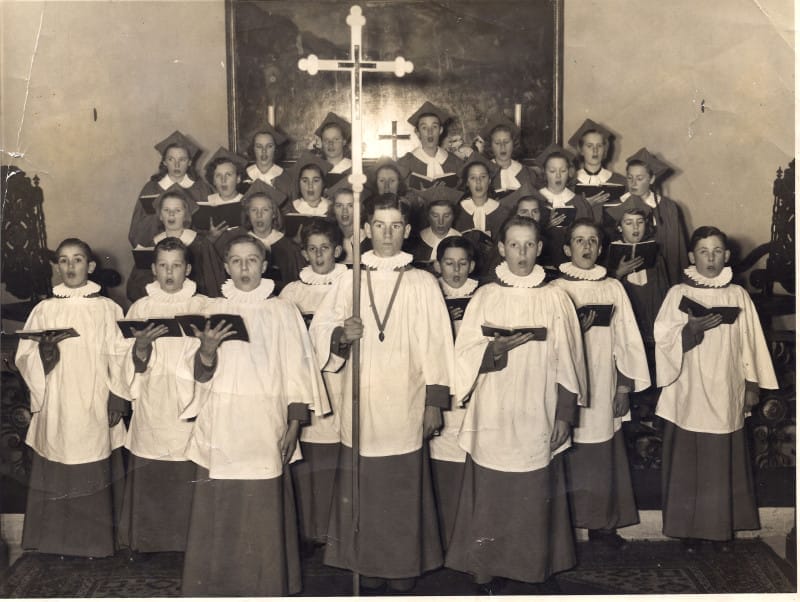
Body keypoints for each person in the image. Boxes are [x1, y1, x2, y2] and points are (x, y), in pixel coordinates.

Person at [310, 193, 454, 594]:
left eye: (395, 226)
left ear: (407, 232)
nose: (387, 234)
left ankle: (402, 568)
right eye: (379, 225)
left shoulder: (423, 281)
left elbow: (437, 344)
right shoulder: (348, 279)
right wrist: (341, 335)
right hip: (362, 403)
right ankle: (368, 567)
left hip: (406, 402)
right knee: (364, 494)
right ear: (365, 229)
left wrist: (434, 403)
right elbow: (319, 332)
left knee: (401, 494)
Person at [177, 235, 329, 596]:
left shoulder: (282, 310)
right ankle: (216, 586)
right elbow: (191, 373)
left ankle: (265, 585)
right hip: (222, 425)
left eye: (251, 260)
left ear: (264, 265)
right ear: (226, 266)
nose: (244, 268)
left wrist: (294, 424)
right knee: (219, 508)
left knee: (263, 510)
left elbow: (298, 372)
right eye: (236, 261)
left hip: (266, 424)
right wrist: (207, 354)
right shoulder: (210, 309)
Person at [445, 215, 586, 592]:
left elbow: (569, 360)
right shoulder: (487, 296)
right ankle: (486, 571)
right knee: (491, 494)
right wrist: (493, 351)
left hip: (537, 407)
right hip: (494, 408)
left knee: (532, 493)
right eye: (514, 245)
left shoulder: (556, 297)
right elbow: (463, 355)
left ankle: (529, 569)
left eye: (529, 245)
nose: (522, 253)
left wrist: (565, 415)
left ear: (539, 248)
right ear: (502, 249)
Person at [655, 226, 778, 553]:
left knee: (721, 463)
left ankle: (719, 530)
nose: (711, 258)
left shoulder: (737, 295)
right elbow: (663, 340)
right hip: (689, 389)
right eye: (704, 252)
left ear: (727, 256)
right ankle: (689, 532)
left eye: (717, 251)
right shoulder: (677, 294)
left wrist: (752, 383)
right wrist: (690, 329)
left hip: (726, 388)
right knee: (690, 463)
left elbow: (750, 343)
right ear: (692, 257)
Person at [15, 238, 129, 558]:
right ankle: (55, 541)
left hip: (95, 398)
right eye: (63, 261)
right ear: (57, 267)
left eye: (77, 260)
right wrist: (46, 352)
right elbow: (27, 357)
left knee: (94, 454)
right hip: (58, 402)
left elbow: (121, 356)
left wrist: (117, 399)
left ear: (90, 267)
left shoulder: (108, 309)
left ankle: (97, 542)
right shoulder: (45, 309)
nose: (70, 267)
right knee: (57, 450)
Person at [553, 219, 650, 549]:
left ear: (600, 248)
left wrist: (624, 387)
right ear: (567, 249)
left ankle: (601, 527)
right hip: (566, 387)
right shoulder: (554, 290)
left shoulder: (612, 288)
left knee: (602, 456)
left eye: (592, 241)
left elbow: (627, 341)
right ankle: (564, 528)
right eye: (578, 241)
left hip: (605, 382)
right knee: (564, 453)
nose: (586, 247)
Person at [117, 237, 208, 553]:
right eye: (164, 266)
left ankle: (188, 540)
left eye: (177, 265)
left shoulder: (202, 306)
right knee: (151, 467)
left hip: (189, 398)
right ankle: (147, 540)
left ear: (188, 269)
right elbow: (124, 360)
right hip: (153, 398)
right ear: (153, 269)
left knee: (188, 464)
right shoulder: (141, 307)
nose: (170, 273)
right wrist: (140, 348)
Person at [279, 218, 348, 550]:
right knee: (307, 452)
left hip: (341, 376)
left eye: (325, 248)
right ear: (304, 252)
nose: (319, 256)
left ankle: (337, 529)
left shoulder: (350, 285)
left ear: (337, 249)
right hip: (303, 377)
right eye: (312, 249)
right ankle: (309, 529)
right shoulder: (293, 291)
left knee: (338, 449)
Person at [430, 235, 478, 550]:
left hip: (474, 388)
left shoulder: (483, 294)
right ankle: (444, 541)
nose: (456, 270)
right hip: (441, 388)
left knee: (471, 465)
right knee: (442, 466)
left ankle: (469, 543)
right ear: (437, 265)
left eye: (462, 263)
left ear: (472, 266)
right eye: (449, 263)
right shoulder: (429, 293)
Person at [127, 186, 226, 302]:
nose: (171, 214)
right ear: (160, 215)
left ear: (186, 215)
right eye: (166, 210)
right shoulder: (151, 246)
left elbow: (214, 284)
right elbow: (134, 290)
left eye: (177, 210)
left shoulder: (201, 244)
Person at [606, 196, 671, 362]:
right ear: (619, 227)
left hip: (654, 327)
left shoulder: (657, 256)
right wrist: (618, 274)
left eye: (640, 222)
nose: (635, 227)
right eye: (628, 223)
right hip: (626, 331)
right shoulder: (608, 256)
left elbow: (664, 293)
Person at [215, 179, 304, 292]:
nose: (259, 215)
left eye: (265, 210)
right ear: (248, 214)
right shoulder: (236, 244)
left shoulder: (288, 247)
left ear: (274, 214)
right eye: (254, 210)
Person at [616, 147, 688, 286]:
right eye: (629, 178)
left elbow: (676, 249)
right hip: (629, 278)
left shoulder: (667, 208)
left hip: (661, 276)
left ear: (652, 179)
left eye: (639, 178)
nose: (633, 183)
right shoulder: (619, 206)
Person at [128, 131, 209, 248]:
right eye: (171, 159)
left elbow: (207, 228)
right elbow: (137, 230)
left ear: (190, 162)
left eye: (182, 160)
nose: (177, 165)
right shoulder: (151, 188)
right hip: (158, 248)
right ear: (164, 162)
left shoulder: (201, 188)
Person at [536, 145, 595, 268]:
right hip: (541, 265)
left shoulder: (580, 203)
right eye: (552, 171)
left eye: (563, 171)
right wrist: (546, 226)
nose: (558, 176)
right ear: (544, 173)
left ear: (569, 172)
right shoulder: (536, 200)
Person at [398, 101, 463, 187]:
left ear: (440, 130)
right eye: (424, 128)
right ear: (417, 133)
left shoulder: (455, 163)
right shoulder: (405, 164)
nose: (430, 132)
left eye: (434, 127)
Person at [567, 119, 626, 212]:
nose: (595, 150)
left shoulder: (620, 182)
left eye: (599, 146)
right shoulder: (569, 183)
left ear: (605, 149)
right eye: (589, 146)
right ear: (581, 150)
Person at [481, 113, 537, 203]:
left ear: (514, 143)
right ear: (490, 145)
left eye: (506, 142)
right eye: (497, 143)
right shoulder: (483, 172)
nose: (502, 147)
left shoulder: (527, 173)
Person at [196, 147, 248, 236]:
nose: (223, 180)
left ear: (238, 179)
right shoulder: (207, 203)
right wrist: (210, 235)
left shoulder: (247, 203)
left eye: (228, 175)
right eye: (218, 176)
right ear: (213, 181)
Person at [408, 185, 462, 265]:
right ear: (427, 216)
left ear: (454, 216)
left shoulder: (462, 241)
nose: (441, 222)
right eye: (435, 216)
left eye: (446, 216)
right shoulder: (416, 242)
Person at [242, 123, 293, 201]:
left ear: (276, 149)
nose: (264, 151)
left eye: (269, 146)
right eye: (259, 146)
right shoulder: (244, 176)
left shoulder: (286, 178)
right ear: (253, 149)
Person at [285, 151, 333, 217]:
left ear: (323, 184)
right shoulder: (289, 211)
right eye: (305, 181)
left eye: (315, 181)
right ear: (298, 184)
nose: (310, 186)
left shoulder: (332, 210)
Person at [329, 183, 367, 264]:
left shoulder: (368, 238)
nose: (344, 211)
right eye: (339, 205)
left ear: (359, 209)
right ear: (333, 209)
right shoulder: (328, 238)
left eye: (350, 205)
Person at [315, 112, 352, 180]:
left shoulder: (353, 169)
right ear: (322, 143)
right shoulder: (316, 170)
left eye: (336, 139)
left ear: (344, 141)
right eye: (326, 140)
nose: (330, 144)